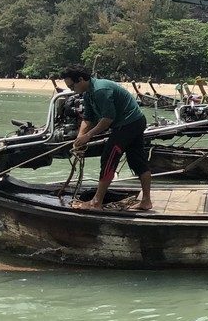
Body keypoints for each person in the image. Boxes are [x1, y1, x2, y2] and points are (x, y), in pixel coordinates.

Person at [60, 65, 152, 211]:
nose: (72, 90)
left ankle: (96, 202)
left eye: (72, 86)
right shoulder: (87, 93)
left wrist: (88, 136)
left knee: (109, 158)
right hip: (133, 121)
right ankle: (146, 201)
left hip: (129, 123)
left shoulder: (100, 90)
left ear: (82, 80)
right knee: (137, 160)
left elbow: (108, 119)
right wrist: (79, 139)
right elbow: (88, 119)